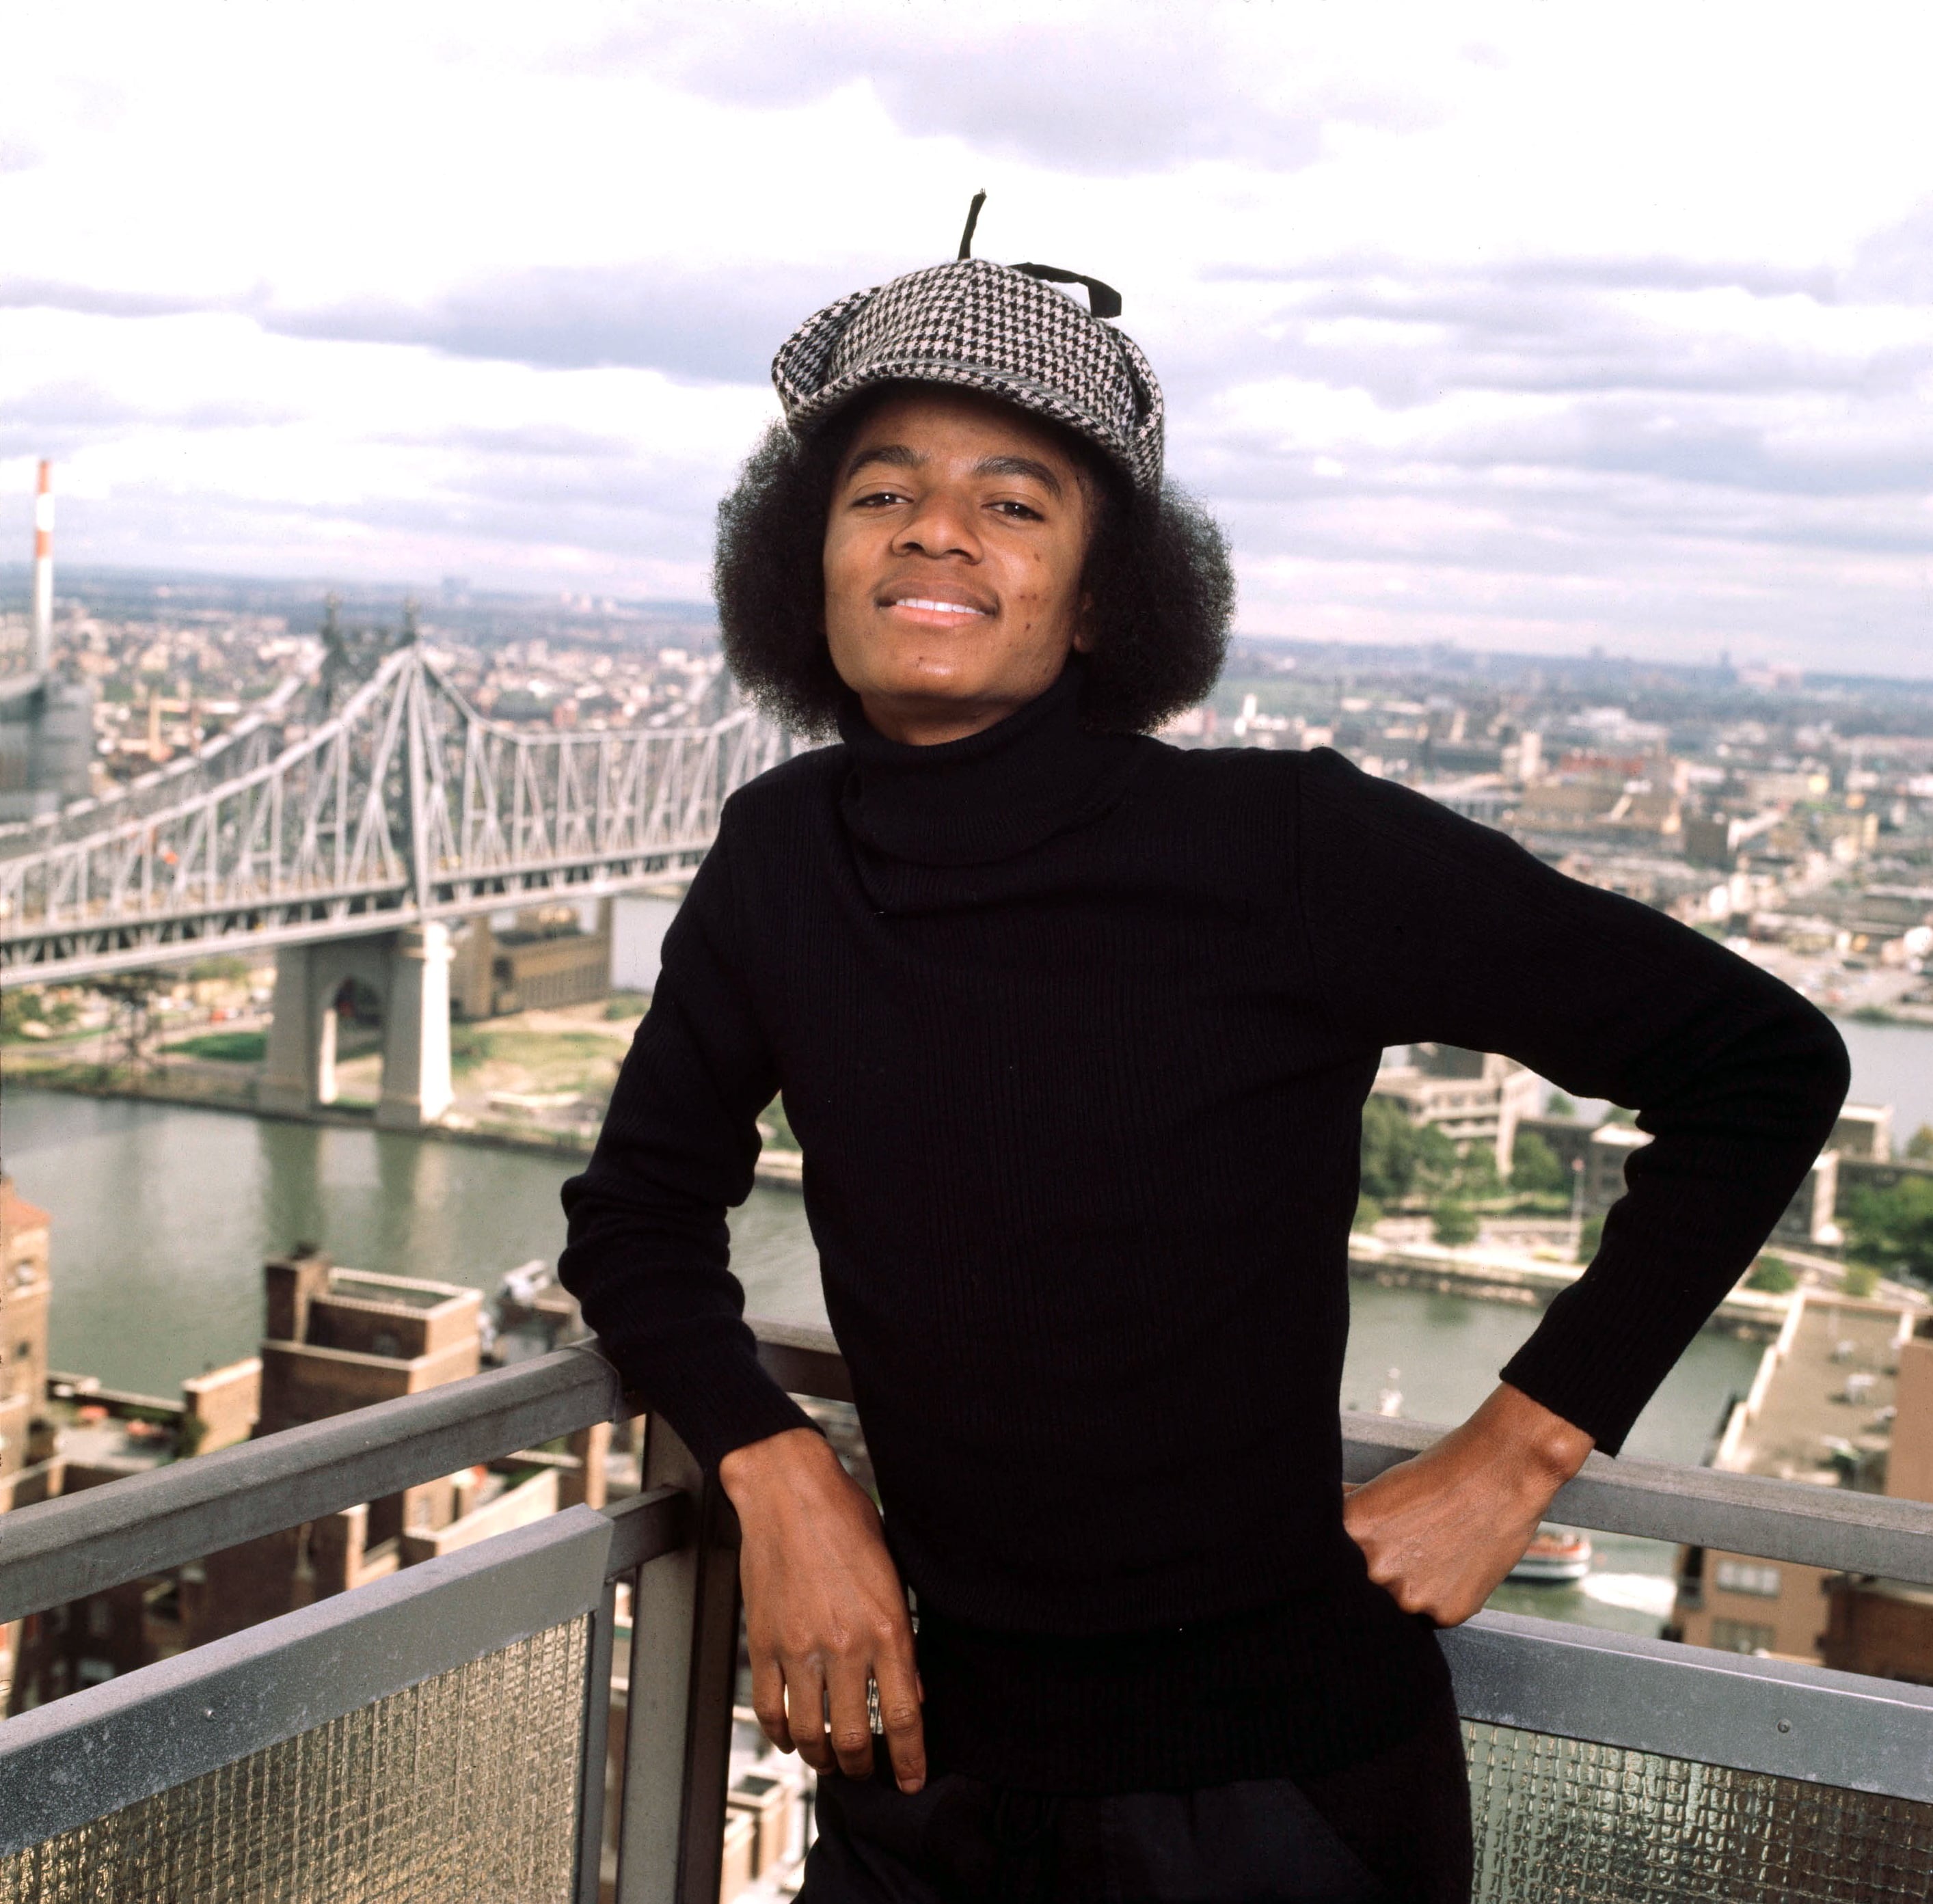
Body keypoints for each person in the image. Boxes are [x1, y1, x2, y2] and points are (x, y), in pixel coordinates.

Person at [560, 232, 1848, 1903]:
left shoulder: (1286, 848)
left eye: (1014, 502)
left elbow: (1760, 1064)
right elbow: (638, 1215)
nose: (935, 527)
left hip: (1281, 1800)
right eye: (882, 491)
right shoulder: (780, 857)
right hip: (922, 1781)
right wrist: (776, 1469)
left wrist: (1515, 1455)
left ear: (1103, 598)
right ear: (806, 558)